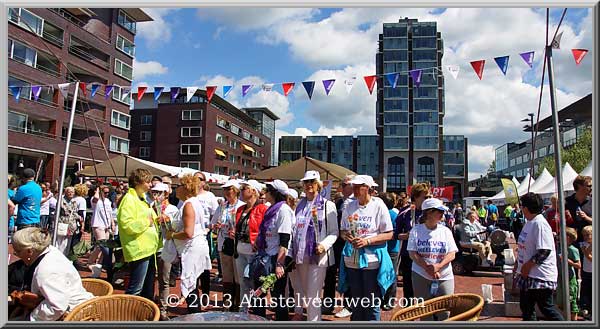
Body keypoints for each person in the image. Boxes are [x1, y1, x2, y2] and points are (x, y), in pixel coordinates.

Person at [338, 175, 395, 321]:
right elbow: (343, 230)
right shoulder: (349, 206)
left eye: (359, 186)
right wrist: (347, 237)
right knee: (356, 302)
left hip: (372, 260)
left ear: (368, 188)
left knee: (371, 303)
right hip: (352, 259)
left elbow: (388, 234)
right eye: (354, 186)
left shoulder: (378, 206)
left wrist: (367, 241)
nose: (355, 189)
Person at [10, 227, 94, 321]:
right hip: (70, 305)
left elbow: (57, 307)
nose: (16, 254)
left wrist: (31, 319)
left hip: (72, 314)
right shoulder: (49, 250)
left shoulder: (45, 270)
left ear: (29, 251)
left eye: (17, 252)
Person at [289, 171, 338, 321]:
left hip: (318, 256)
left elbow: (334, 231)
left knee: (313, 293)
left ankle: (314, 322)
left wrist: (324, 245)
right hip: (301, 255)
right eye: (306, 182)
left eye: (312, 182)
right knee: (305, 291)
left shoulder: (327, 205)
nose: (309, 185)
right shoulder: (299, 205)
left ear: (318, 184)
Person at [164, 174, 211, 314]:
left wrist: (171, 235)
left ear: (185, 188)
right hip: (193, 248)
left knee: (190, 286)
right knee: (192, 284)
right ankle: (194, 314)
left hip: (192, 249)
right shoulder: (192, 203)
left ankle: (194, 317)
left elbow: (188, 232)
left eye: (179, 185)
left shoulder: (189, 205)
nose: (176, 188)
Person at [514, 192, 563, 321]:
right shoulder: (530, 222)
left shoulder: (539, 223)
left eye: (522, 206)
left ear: (525, 208)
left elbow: (544, 250)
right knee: (526, 307)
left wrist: (528, 266)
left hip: (539, 275)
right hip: (529, 275)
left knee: (546, 307)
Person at [407, 197, 458, 321]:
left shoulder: (446, 231)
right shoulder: (416, 230)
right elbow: (412, 253)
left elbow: (452, 253)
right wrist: (427, 267)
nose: (442, 214)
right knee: (424, 312)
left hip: (444, 275)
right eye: (439, 212)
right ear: (429, 212)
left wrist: (438, 267)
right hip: (421, 275)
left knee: (445, 311)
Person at [252, 180, 294, 321]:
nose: (265, 192)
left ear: (274, 193)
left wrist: (280, 264)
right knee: (259, 291)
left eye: (268, 190)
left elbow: (285, 239)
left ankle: (282, 321)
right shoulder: (271, 209)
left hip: (276, 258)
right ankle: (259, 320)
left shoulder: (283, 210)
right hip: (265, 256)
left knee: (278, 295)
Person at [117, 168, 160, 300]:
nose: (150, 185)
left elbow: (151, 219)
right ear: (139, 182)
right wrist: (147, 222)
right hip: (139, 249)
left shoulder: (141, 199)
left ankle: (145, 316)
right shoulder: (129, 199)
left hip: (148, 249)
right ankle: (126, 317)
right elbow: (126, 224)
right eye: (147, 182)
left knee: (148, 288)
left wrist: (158, 219)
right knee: (136, 288)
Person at [210, 179, 245, 312]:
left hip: (237, 246)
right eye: (225, 189)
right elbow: (212, 223)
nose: (226, 192)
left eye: (229, 189)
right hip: (223, 244)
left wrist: (236, 231)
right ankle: (227, 303)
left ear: (236, 191)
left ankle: (237, 304)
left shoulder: (242, 206)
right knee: (227, 275)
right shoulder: (222, 206)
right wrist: (215, 226)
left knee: (238, 276)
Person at [233, 180, 267, 312]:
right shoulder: (240, 209)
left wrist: (259, 242)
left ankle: (258, 312)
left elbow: (265, 229)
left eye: (244, 188)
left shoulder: (263, 209)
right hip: (240, 249)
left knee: (255, 282)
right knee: (243, 282)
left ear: (253, 191)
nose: (241, 190)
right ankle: (244, 310)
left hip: (254, 252)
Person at [395, 182, 431, 303]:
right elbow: (395, 234)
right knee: (409, 289)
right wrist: (406, 236)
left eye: (429, 197)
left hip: (428, 255)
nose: (428, 200)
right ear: (415, 197)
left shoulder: (432, 212)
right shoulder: (405, 212)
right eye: (425, 197)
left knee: (427, 289)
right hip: (409, 256)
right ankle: (409, 315)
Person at [325, 174, 355, 318]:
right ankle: (328, 303)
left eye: (345, 184)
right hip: (335, 243)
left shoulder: (356, 203)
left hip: (349, 243)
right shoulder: (337, 203)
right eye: (342, 184)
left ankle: (348, 305)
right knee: (330, 273)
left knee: (349, 274)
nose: (341, 187)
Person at [151, 182, 179, 320]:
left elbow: (174, 228)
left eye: (158, 192)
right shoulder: (150, 207)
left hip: (165, 248)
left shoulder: (172, 209)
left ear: (166, 194)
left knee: (164, 280)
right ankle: (150, 306)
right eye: (154, 192)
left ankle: (163, 309)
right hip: (150, 247)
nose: (155, 195)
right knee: (150, 278)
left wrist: (166, 220)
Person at [192, 171, 220, 304]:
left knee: (204, 266)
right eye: (195, 178)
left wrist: (210, 228)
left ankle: (205, 294)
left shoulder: (210, 196)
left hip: (204, 235)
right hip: (190, 235)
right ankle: (191, 295)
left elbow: (216, 214)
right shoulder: (189, 194)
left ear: (204, 181)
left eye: (200, 179)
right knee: (190, 266)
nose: (197, 181)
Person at [87, 185, 115, 278]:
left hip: (107, 225)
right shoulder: (96, 200)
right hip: (98, 224)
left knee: (102, 246)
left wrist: (112, 224)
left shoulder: (108, 201)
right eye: (105, 192)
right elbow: (95, 198)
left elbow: (110, 213)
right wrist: (98, 190)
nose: (106, 194)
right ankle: (90, 262)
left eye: (108, 192)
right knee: (102, 245)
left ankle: (98, 264)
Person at [380, 192, 399, 311]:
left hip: (391, 249)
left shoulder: (393, 215)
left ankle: (390, 300)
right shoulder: (386, 214)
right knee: (383, 274)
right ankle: (384, 299)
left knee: (391, 276)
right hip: (384, 249)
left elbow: (395, 233)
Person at [556, 227, 580, 321]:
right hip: (561, 277)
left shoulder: (573, 249)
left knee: (571, 302)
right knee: (561, 301)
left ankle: (573, 321)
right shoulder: (559, 247)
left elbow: (578, 265)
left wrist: (567, 260)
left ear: (569, 237)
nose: (559, 237)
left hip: (569, 278)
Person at [564, 175, 592, 244]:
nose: (591, 188)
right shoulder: (566, 202)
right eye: (589, 186)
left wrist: (586, 217)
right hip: (571, 243)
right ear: (579, 186)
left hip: (590, 244)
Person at [579, 225, 592, 320]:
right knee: (585, 291)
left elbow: (591, 258)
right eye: (584, 235)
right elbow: (587, 255)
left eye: (588, 235)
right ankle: (586, 309)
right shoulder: (583, 244)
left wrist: (588, 251)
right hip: (586, 272)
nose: (586, 237)